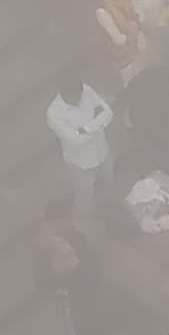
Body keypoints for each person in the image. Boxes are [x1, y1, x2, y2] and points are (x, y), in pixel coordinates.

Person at [47, 72, 116, 226]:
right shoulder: (54, 114)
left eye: (80, 95)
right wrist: (97, 123)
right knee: (84, 196)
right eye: (75, 97)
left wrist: (84, 129)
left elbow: (109, 113)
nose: (79, 99)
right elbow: (75, 140)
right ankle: (84, 221)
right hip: (80, 162)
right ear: (64, 94)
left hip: (102, 150)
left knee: (108, 180)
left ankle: (105, 209)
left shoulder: (86, 90)